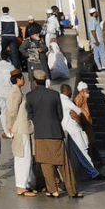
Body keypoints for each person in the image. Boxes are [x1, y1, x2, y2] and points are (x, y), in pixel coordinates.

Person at [25, 69, 79, 199]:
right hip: (55, 132)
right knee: (63, 163)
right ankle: (72, 191)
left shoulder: (30, 96)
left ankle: (53, 190)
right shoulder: (55, 94)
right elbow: (60, 114)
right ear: (45, 80)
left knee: (45, 164)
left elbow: (30, 114)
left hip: (40, 134)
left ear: (35, 82)